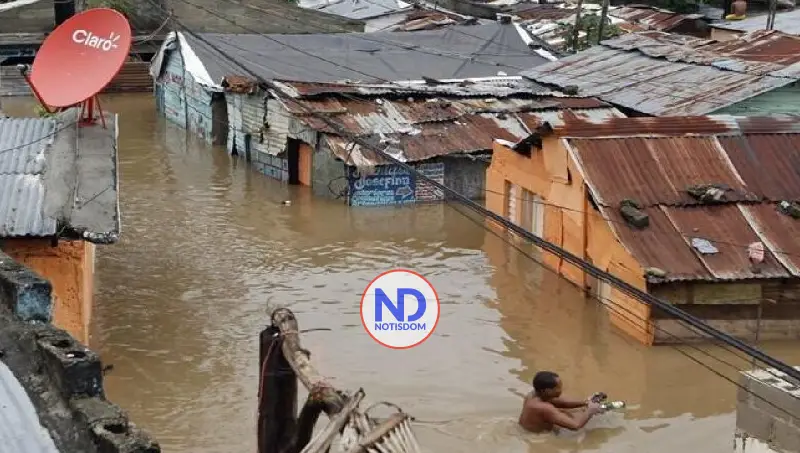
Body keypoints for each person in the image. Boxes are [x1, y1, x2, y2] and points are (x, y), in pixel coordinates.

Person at [518, 371, 604, 433]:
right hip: (536, 438)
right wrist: (590, 411)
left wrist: (586, 402)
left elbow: (561, 402)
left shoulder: (534, 394)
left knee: (571, 412)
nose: (561, 390)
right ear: (547, 391)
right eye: (558, 388)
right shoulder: (544, 408)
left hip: (528, 428)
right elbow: (575, 426)